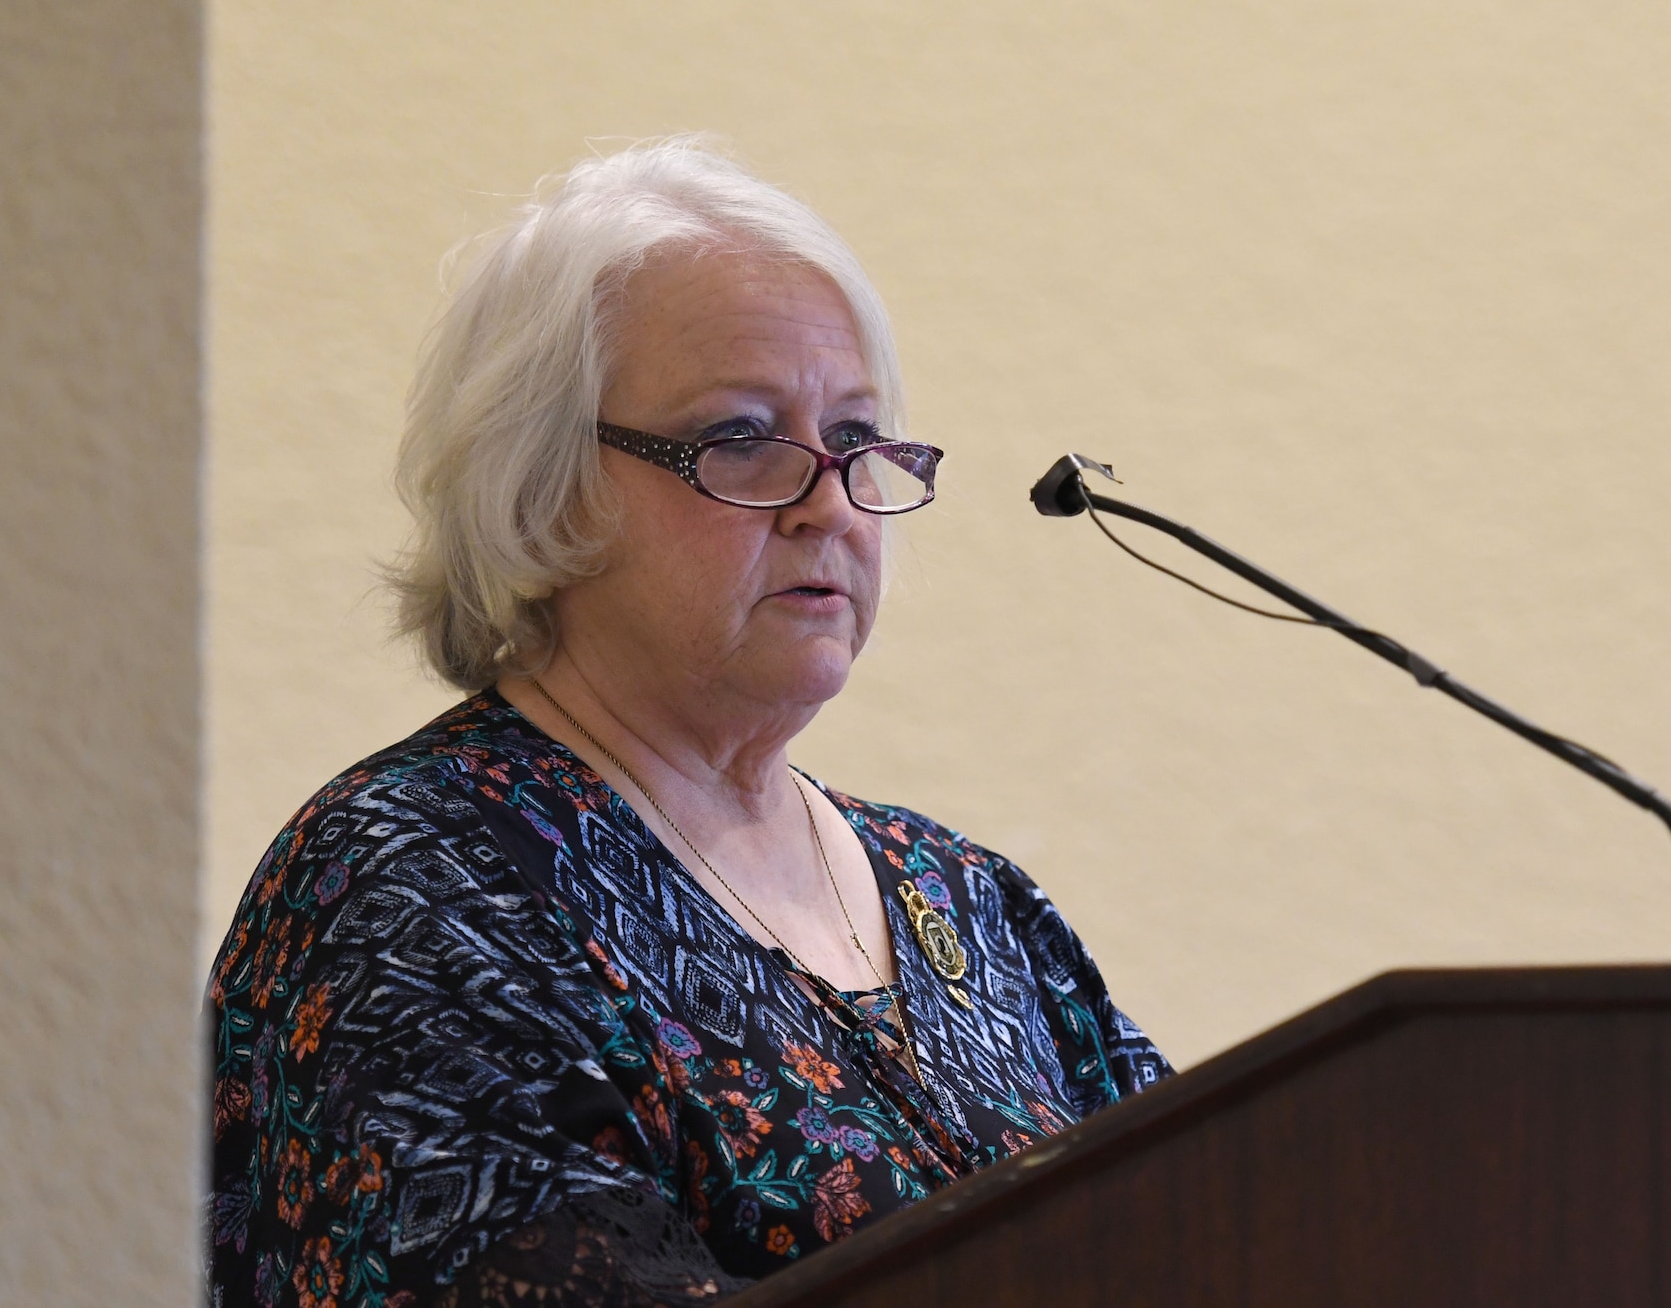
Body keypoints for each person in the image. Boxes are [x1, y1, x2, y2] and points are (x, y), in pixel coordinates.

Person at [205, 138, 1170, 1308]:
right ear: (543, 484)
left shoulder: (973, 902)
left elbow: (1223, 1220)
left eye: (858, 441)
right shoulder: (416, 880)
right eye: (744, 440)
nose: (829, 504)